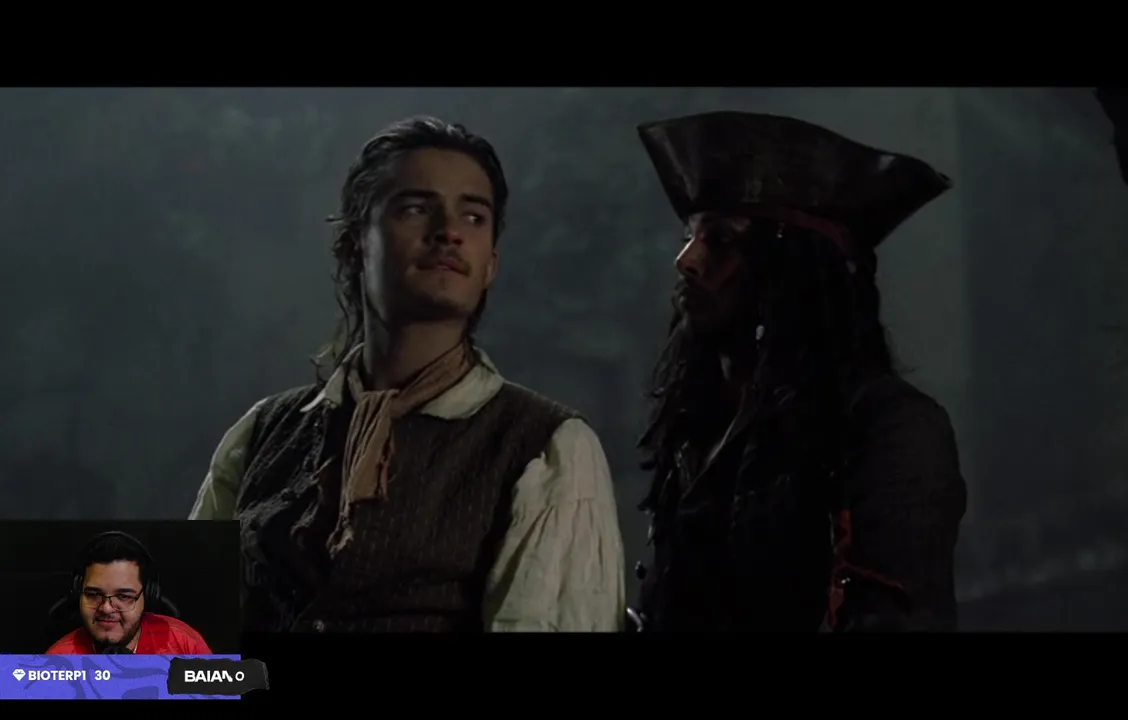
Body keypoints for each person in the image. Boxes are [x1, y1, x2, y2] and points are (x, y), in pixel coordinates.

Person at [189, 116, 625, 633]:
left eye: (474, 216)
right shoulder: (262, 433)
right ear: (354, 245)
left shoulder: (543, 448)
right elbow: (179, 643)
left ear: (490, 263)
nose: (449, 232)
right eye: (416, 208)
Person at [631, 111, 967, 632]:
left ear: (791, 273)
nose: (686, 260)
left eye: (721, 240)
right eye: (690, 236)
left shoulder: (887, 428)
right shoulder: (700, 427)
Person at [47, 531, 212, 654]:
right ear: (78, 594)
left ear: (147, 596)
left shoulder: (185, 644)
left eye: (123, 596)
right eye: (93, 595)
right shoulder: (57, 662)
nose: (106, 608)